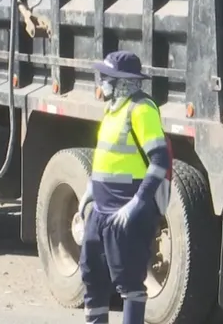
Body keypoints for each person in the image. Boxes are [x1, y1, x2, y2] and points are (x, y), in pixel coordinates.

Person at [78, 51, 172, 324]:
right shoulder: (112, 110)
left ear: (122, 82)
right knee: (92, 276)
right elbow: (106, 157)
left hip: (126, 212)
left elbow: (160, 160)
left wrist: (137, 204)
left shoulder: (141, 109)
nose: (101, 82)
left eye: (106, 77)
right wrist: (90, 190)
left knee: (129, 283)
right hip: (100, 209)